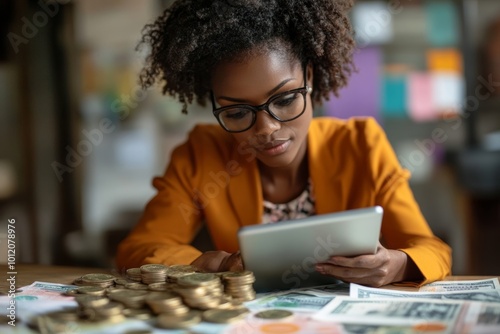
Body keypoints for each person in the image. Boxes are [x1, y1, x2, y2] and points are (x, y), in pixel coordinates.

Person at [116, 0, 451, 287]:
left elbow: (429, 248)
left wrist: (399, 263)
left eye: (286, 99)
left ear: (310, 78)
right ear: (215, 104)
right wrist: (217, 265)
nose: (266, 127)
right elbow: (141, 247)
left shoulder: (361, 145)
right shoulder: (203, 154)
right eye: (236, 112)